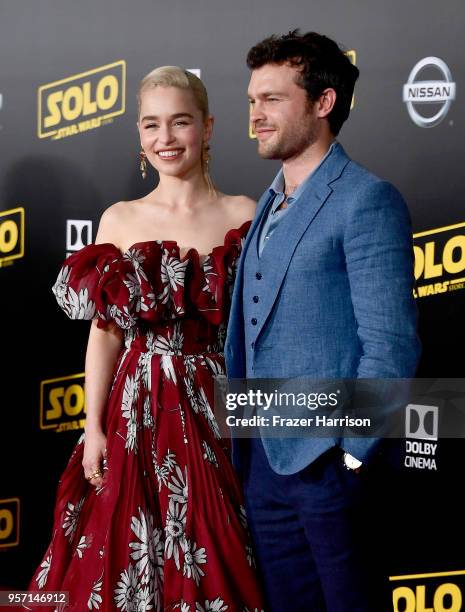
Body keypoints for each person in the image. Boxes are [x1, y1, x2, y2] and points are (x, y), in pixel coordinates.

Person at [27, 66, 265, 612]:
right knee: (127, 564)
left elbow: (260, 330)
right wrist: (91, 427)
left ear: (207, 128)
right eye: (151, 125)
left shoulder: (246, 214)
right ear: (139, 135)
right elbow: (104, 335)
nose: (165, 138)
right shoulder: (120, 220)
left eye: (179, 122)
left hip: (219, 409)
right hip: (135, 412)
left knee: (223, 553)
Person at [224, 31, 421, 611]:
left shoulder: (366, 199)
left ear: (323, 102)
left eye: (273, 100)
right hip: (264, 466)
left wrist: (353, 454)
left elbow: (390, 346)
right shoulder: (265, 203)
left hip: (331, 467)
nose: (256, 116)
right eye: (252, 101)